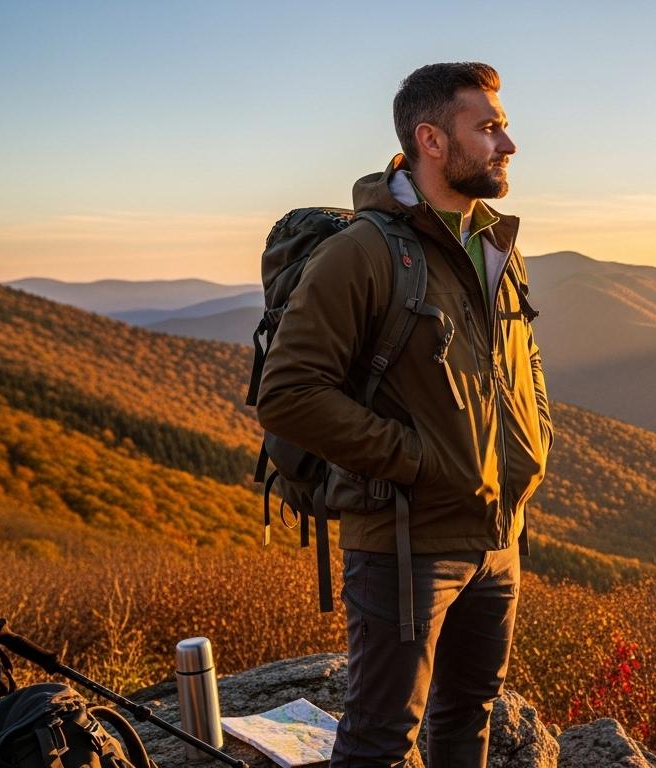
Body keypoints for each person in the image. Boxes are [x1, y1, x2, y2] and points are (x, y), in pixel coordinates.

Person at [255, 62, 552, 768]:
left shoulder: (494, 245)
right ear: (432, 140)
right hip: (404, 545)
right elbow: (289, 393)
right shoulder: (363, 253)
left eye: (503, 126)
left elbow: (524, 358)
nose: (507, 144)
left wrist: (536, 437)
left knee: (468, 718)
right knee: (380, 742)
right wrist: (415, 459)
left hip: (498, 533)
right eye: (487, 127)